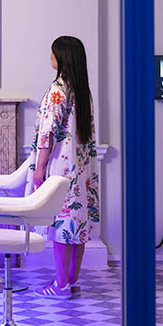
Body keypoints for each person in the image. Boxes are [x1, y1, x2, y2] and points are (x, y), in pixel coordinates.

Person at [25, 36, 99, 299]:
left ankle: (59, 285)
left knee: (61, 226)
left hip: (61, 166)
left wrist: (39, 168)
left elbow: (48, 132)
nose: (51, 57)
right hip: (82, 168)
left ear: (61, 58)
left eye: (53, 53)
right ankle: (71, 282)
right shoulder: (82, 89)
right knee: (76, 227)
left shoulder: (58, 89)